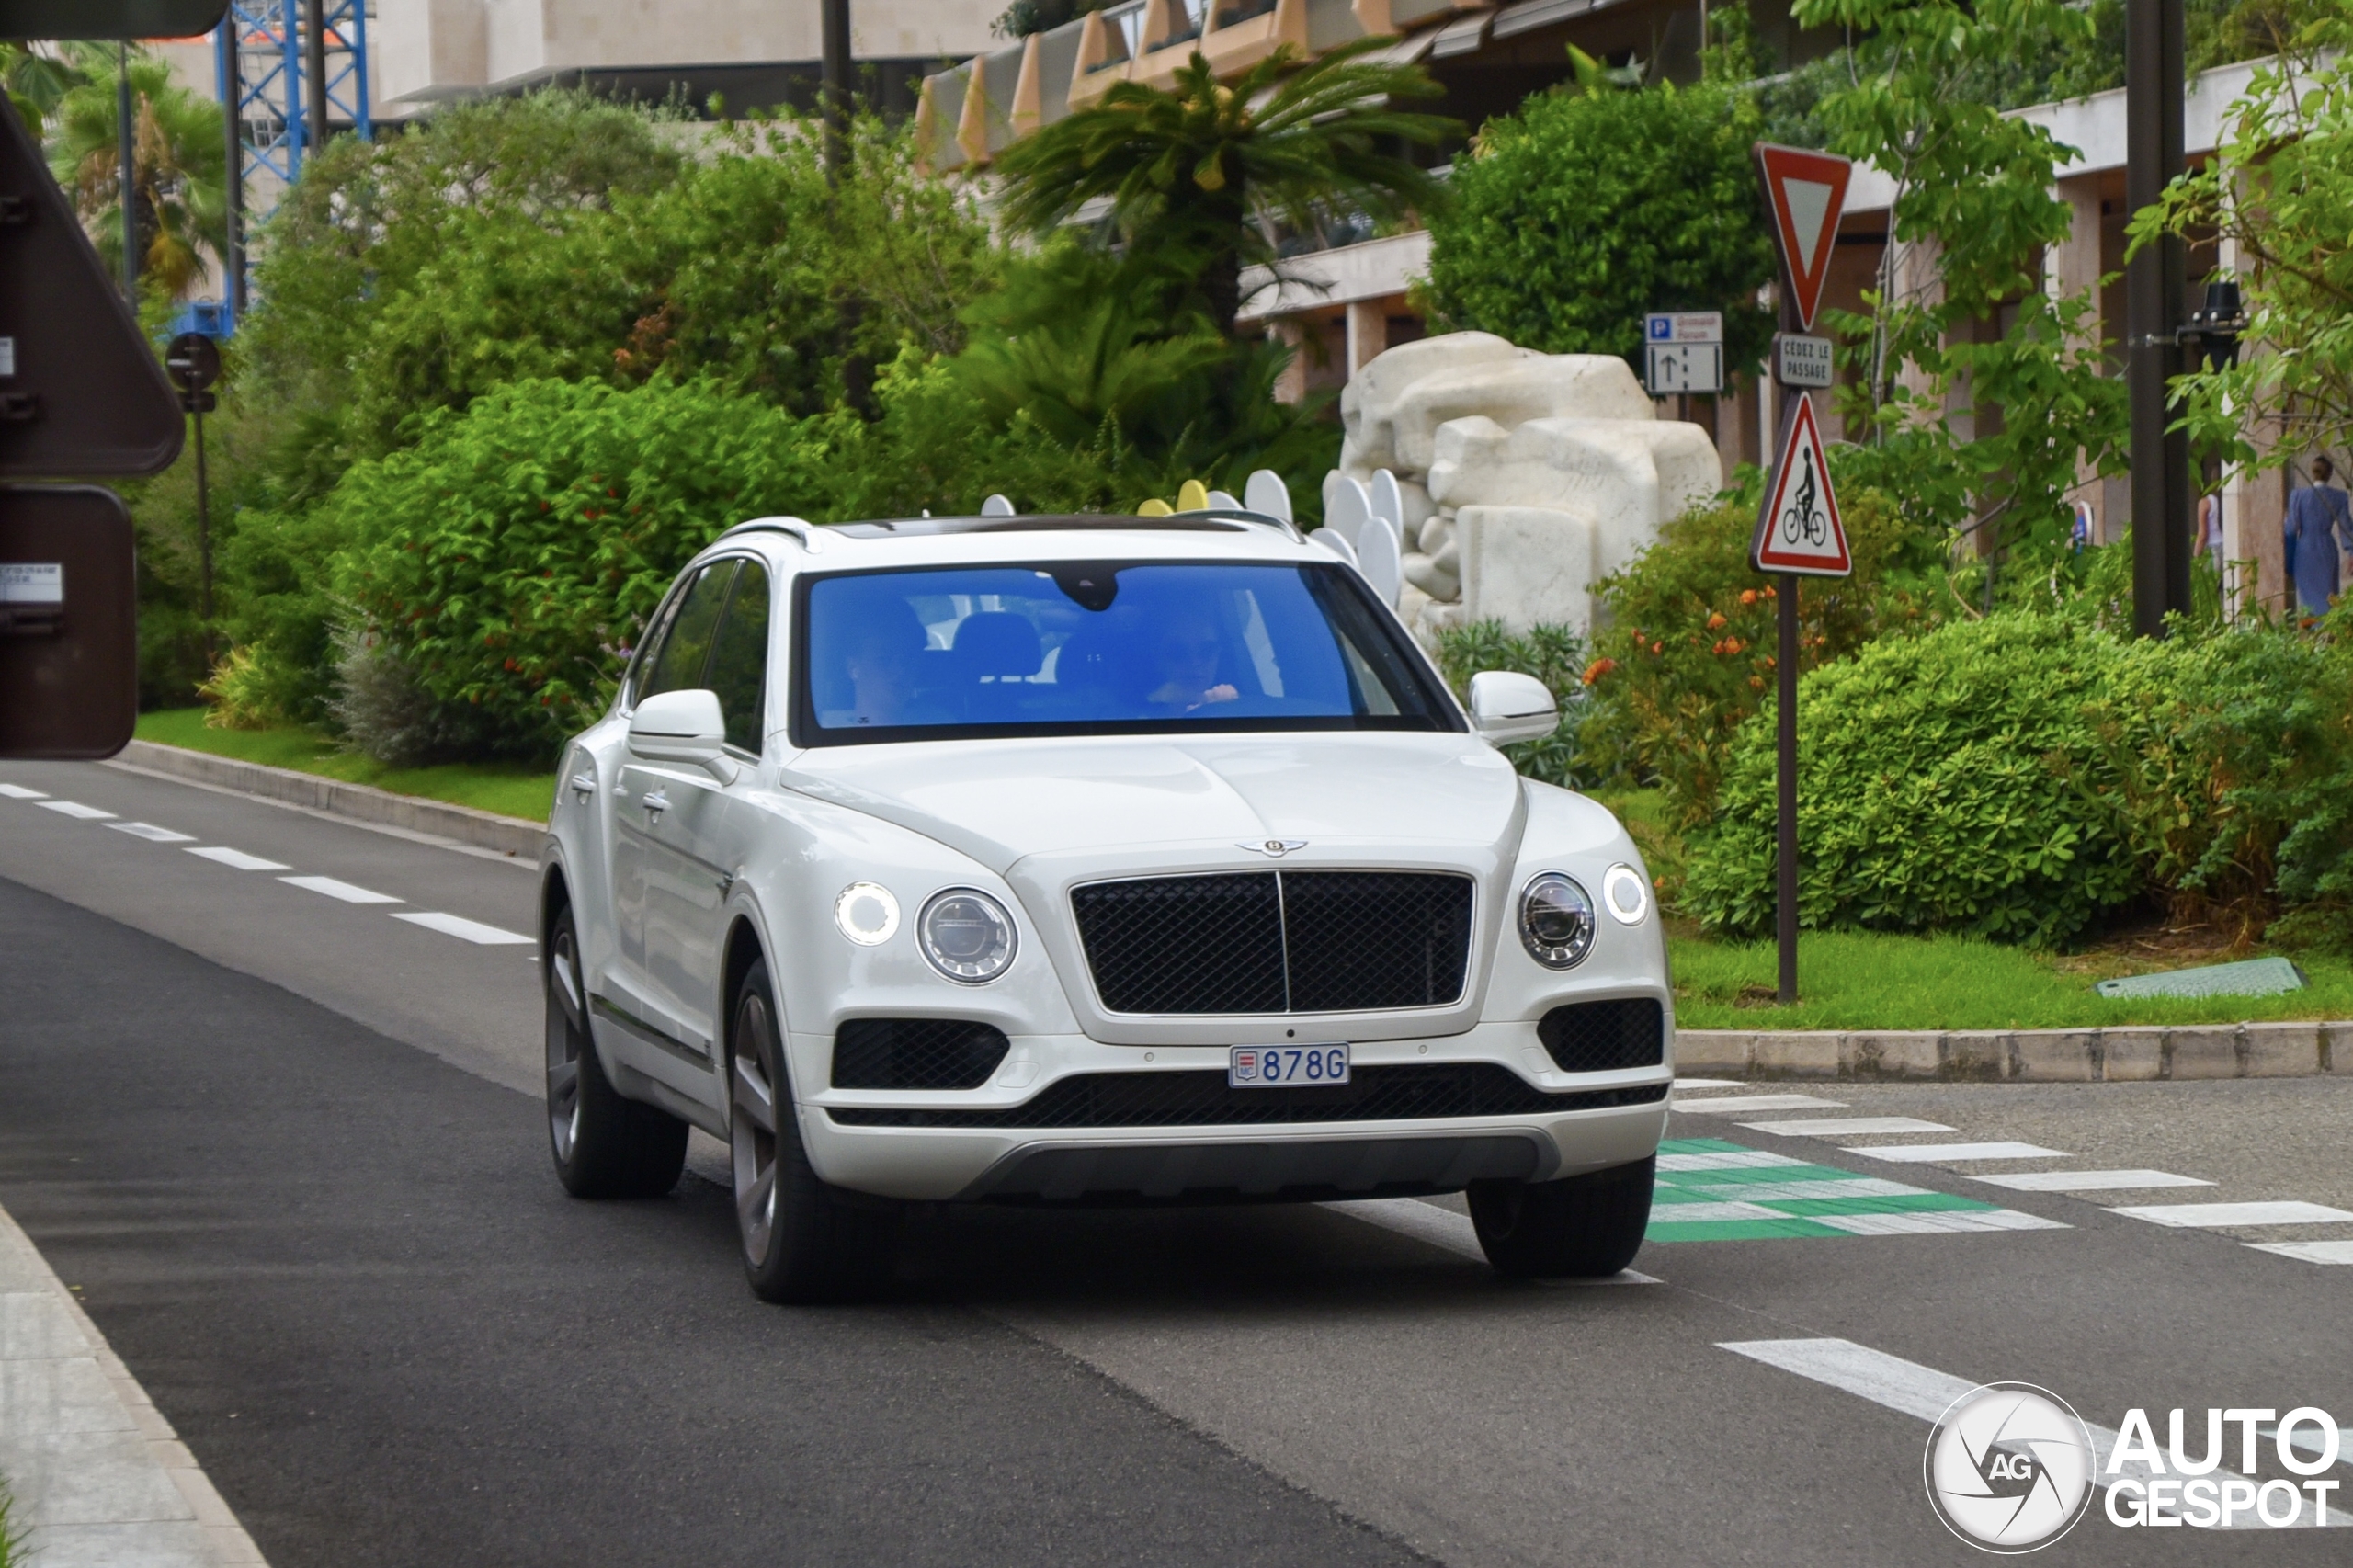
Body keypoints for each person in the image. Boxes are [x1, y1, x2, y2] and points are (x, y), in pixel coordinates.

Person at [2285, 456, 2353, 616]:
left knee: (2308, 598)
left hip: (2304, 549)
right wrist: (2351, 551)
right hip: (2327, 547)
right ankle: (2328, 626)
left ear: (2312, 472)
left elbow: (2291, 528)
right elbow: (2346, 528)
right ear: (2329, 474)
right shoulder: (2339, 496)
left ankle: (2312, 626)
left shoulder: (2298, 495)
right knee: (2328, 593)